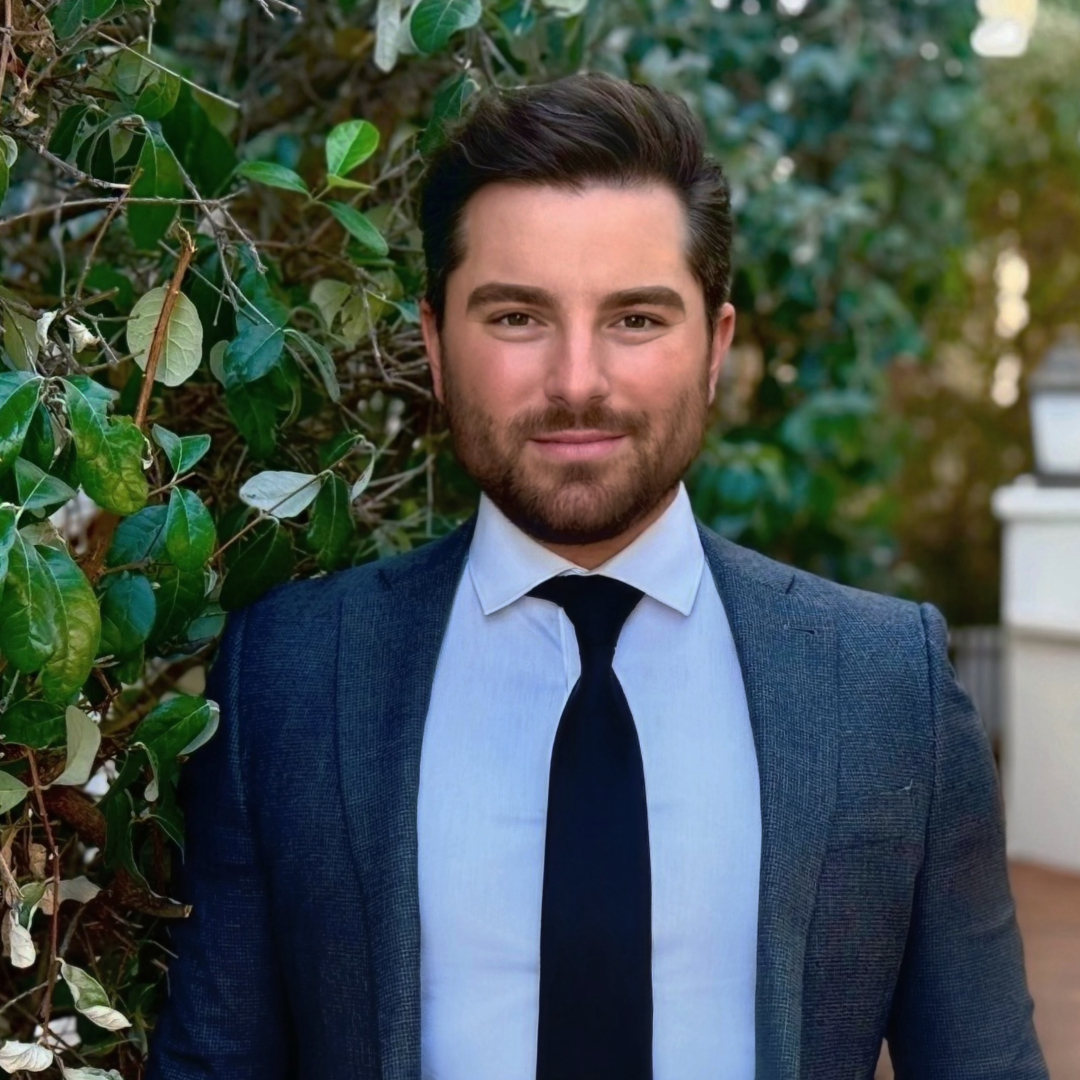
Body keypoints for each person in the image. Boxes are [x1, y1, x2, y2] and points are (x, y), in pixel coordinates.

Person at [145, 73, 1048, 1080]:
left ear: (718, 349)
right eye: (518, 317)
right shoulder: (292, 676)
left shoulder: (888, 687)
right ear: (436, 346)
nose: (578, 381)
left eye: (636, 319)